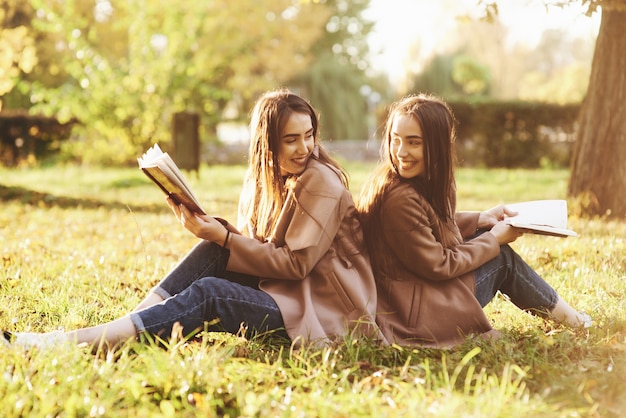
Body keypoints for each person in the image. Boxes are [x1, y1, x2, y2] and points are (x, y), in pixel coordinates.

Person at [3, 89, 382, 350]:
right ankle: (119, 332)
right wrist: (215, 234)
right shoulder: (267, 178)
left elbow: (295, 264)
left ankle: (75, 341)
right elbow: (259, 246)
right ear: (267, 145)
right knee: (211, 250)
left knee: (210, 293)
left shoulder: (321, 182)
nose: (304, 148)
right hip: (285, 293)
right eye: (291, 139)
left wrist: (227, 238)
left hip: (323, 312)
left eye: (309, 135)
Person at [356, 93, 591, 348]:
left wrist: (481, 219)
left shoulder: (414, 183)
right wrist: (493, 238)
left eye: (413, 143)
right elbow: (439, 265)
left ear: (438, 145)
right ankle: (574, 321)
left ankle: (566, 315)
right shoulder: (399, 197)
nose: (401, 152)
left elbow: (420, 227)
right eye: (396, 140)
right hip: (416, 314)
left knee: (489, 246)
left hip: (415, 297)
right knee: (501, 259)